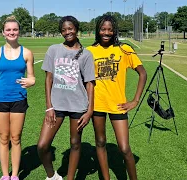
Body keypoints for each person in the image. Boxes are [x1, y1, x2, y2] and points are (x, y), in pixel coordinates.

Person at [86, 15, 147, 180]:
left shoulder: (124, 49)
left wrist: (135, 100)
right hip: (97, 104)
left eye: (110, 29)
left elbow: (142, 73)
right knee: (100, 142)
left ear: (114, 31)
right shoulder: (90, 51)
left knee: (125, 148)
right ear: (98, 30)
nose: (106, 32)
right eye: (103, 29)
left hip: (118, 105)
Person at [37, 16, 95, 180]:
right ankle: (52, 176)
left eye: (70, 28)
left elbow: (90, 84)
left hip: (78, 105)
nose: (67, 32)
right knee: (42, 145)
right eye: (63, 30)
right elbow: (48, 79)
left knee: (75, 144)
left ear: (76, 29)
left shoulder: (86, 54)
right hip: (57, 105)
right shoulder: (53, 50)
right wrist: (49, 107)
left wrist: (89, 110)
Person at [0, 15, 35, 180]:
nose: (12, 32)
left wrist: (31, 81)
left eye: (15, 29)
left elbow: (32, 77)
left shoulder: (27, 53)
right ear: (3, 32)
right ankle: (5, 175)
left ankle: (14, 175)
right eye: (8, 29)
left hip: (19, 100)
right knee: (3, 138)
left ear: (19, 32)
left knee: (15, 138)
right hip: (0, 100)